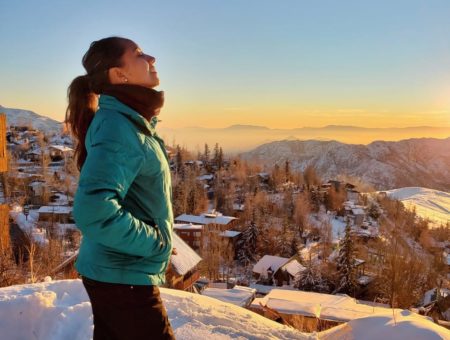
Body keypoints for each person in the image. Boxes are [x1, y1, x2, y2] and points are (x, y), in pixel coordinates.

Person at [66, 37, 175, 340]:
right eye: (139, 54)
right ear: (119, 75)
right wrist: (154, 243)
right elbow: (93, 209)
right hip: (122, 275)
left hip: (116, 273)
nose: (151, 57)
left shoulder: (130, 121)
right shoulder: (120, 125)